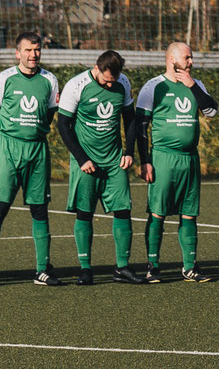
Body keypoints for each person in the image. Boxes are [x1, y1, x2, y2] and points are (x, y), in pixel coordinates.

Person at [0, 32, 64, 286]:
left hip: (37, 150)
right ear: (17, 53)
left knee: (39, 210)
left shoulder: (50, 79)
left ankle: (42, 269)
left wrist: (30, 133)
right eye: (27, 50)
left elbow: (49, 114)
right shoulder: (4, 79)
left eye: (36, 50)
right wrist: (11, 136)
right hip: (8, 150)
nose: (33, 54)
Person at [136, 40, 218, 281]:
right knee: (158, 213)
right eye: (187, 57)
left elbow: (211, 112)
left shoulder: (197, 84)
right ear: (172, 60)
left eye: (191, 57)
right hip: (163, 158)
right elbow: (141, 126)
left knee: (189, 213)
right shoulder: (153, 86)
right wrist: (145, 160)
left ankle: (189, 266)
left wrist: (193, 86)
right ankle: (153, 266)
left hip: (189, 159)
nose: (191, 62)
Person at [57, 49, 137, 285]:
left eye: (114, 80)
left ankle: (122, 268)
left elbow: (130, 118)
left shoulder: (122, 82)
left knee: (123, 210)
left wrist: (129, 152)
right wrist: (82, 158)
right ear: (97, 68)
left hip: (114, 160)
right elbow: (64, 125)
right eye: (106, 80)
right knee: (85, 213)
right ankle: (85, 269)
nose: (110, 85)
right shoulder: (76, 85)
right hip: (86, 161)